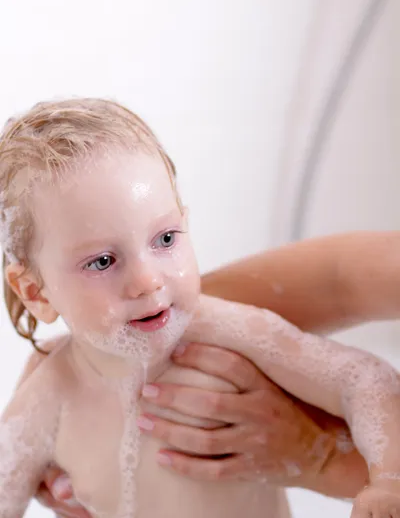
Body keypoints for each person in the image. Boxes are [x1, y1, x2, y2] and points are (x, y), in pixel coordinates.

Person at [2, 99, 400, 518]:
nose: (149, 281)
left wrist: (389, 479)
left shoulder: (230, 333)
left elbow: (361, 380)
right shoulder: (51, 390)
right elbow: (340, 281)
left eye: (166, 239)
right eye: (102, 261)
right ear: (36, 293)